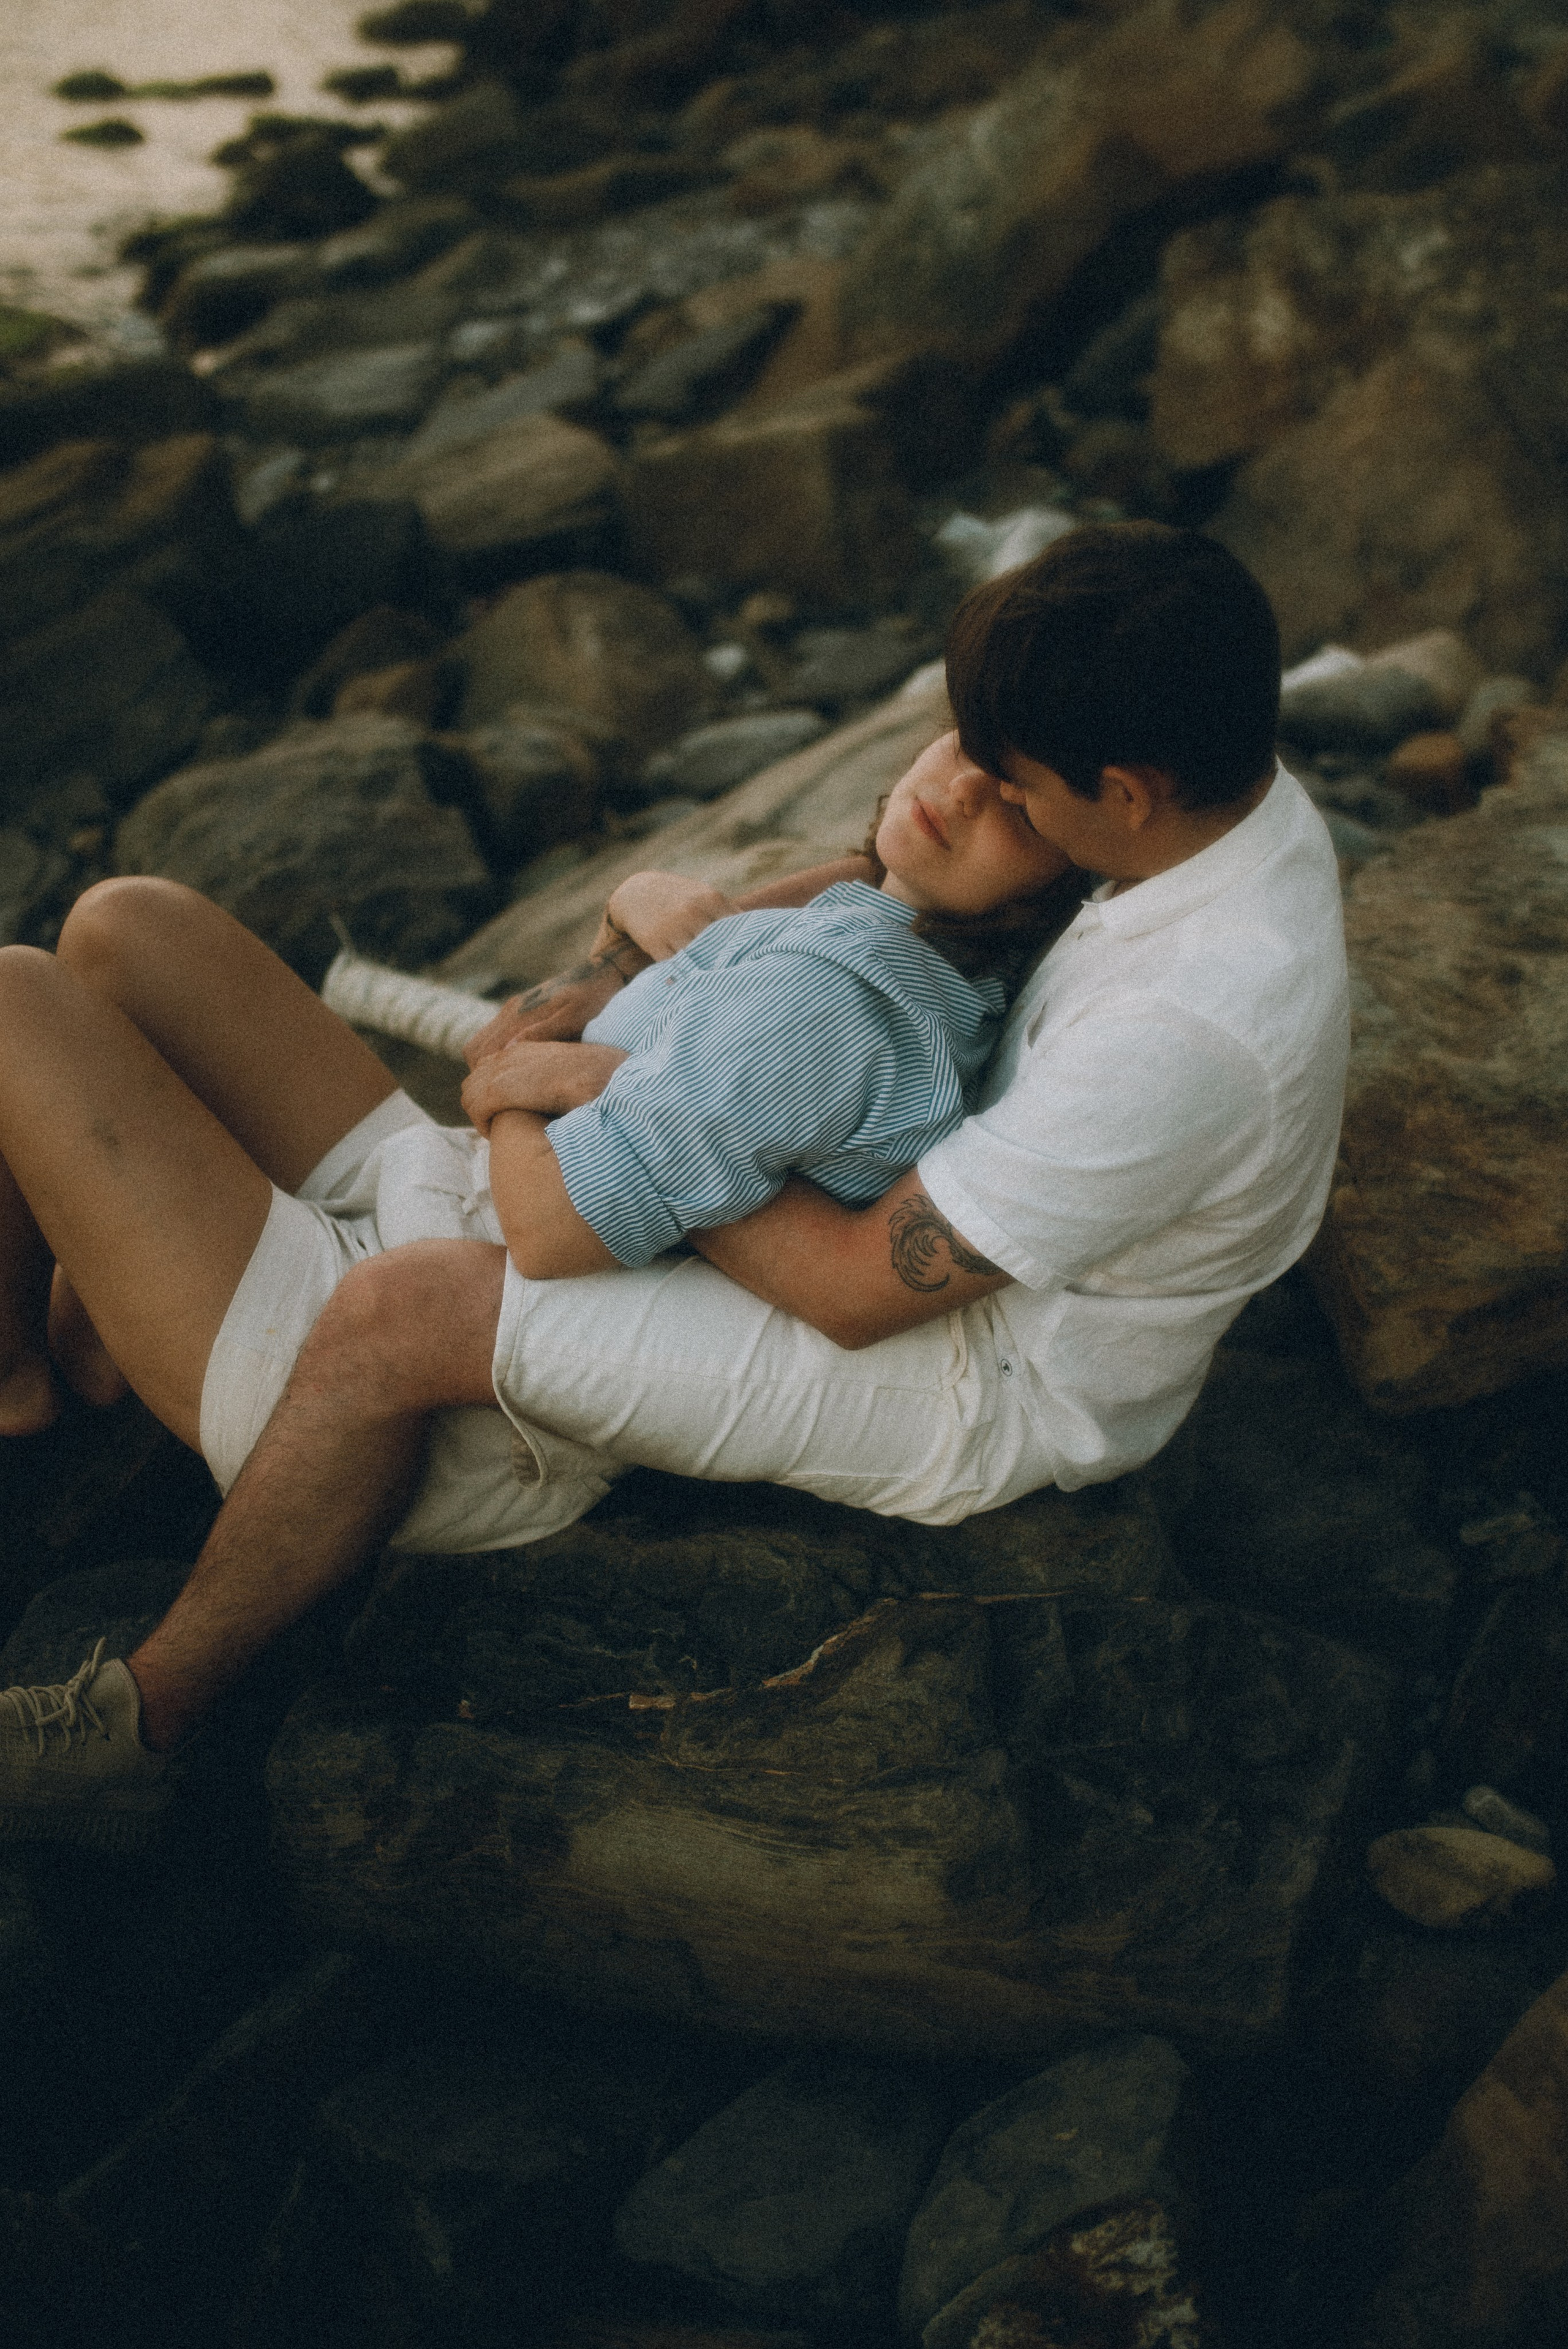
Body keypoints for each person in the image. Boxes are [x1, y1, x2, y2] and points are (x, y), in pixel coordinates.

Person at [0, 522, 1350, 1849]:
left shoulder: (1185, 1029)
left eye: (1012, 782)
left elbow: (853, 1288)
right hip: (734, 1177)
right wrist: (625, 961)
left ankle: (147, 1721)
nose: (958, 776)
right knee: (127, 928)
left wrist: (606, 1104)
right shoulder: (1189, 787)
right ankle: (38, 1368)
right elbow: (872, 891)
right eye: (956, 741)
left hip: (972, 1368)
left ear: (1119, 796)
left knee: (380, 1292)